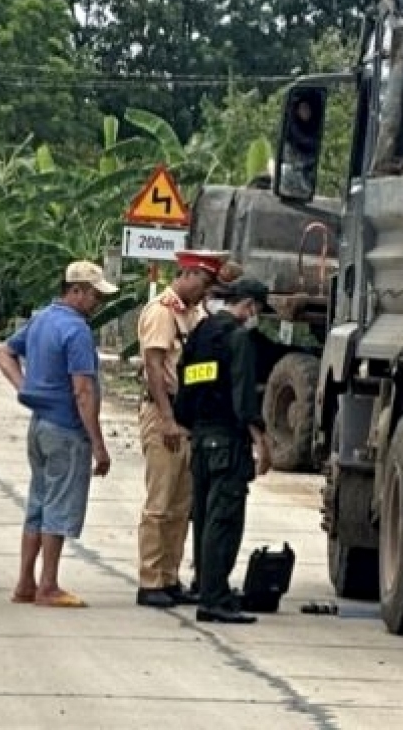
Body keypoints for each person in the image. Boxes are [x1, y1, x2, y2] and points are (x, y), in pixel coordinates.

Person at [0, 260, 118, 608]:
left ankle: (25, 582)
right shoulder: (76, 330)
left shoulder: (42, 319)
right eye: (94, 295)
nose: (97, 303)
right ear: (75, 291)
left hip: (40, 426)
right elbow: (83, 392)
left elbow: (3, 351)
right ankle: (47, 584)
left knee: (38, 503)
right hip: (66, 429)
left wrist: (25, 388)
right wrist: (98, 444)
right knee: (59, 507)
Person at [174, 277, 273, 623]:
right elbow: (244, 396)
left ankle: (205, 585)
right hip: (228, 442)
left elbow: (184, 380)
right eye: (256, 310)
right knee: (224, 520)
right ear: (248, 306)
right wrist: (260, 439)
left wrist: (188, 423)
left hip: (200, 438)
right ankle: (214, 599)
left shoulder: (201, 332)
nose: (254, 316)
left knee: (204, 517)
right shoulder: (239, 338)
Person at [135, 249, 230, 609]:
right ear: (187, 274)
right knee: (159, 503)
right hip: (165, 413)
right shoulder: (162, 312)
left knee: (181, 504)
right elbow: (155, 368)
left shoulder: (194, 314)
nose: (205, 292)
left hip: (187, 415)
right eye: (203, 283)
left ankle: (169, 576)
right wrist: (168, 418)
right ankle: (150, 579)